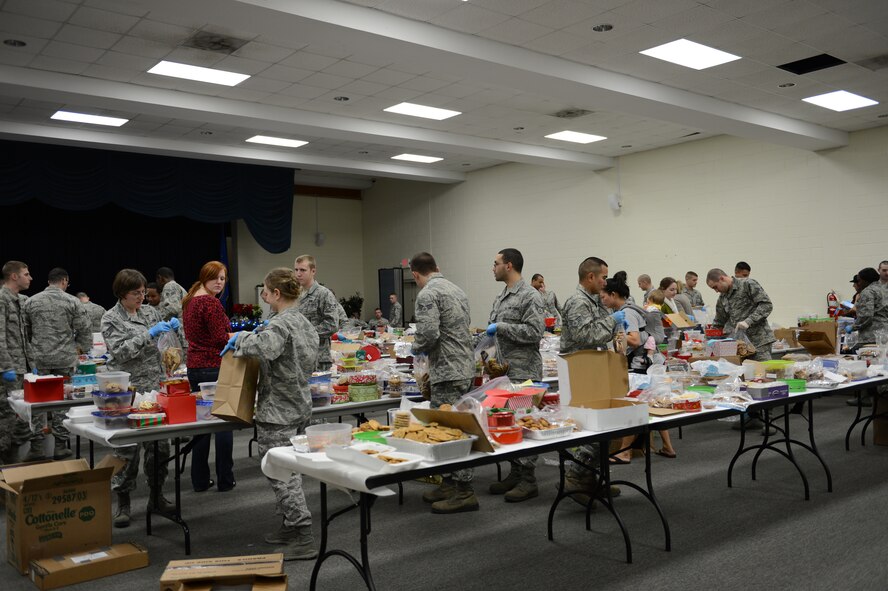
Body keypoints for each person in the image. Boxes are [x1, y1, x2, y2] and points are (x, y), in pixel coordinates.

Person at [220, 268, 319, 561]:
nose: (264, 295)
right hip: (299, 404)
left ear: (277, 294)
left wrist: (240, 340)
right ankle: (290, 525)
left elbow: (265, 348)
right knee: (290, 469)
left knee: (281, 473)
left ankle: (303, 535)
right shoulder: (303, 322)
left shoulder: (279, 324)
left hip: (278, 410)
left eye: (266, 290)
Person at [102, 269, 176, 528]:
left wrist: (171, 336)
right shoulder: (110, 318)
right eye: (136, 293)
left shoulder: (150, 313)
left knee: (159, 447)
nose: (142, 298)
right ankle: (123, 502)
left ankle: (156, 496)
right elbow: (121, 353)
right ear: (122, 293)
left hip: (154, 388)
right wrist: (149, 334)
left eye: (144, 292)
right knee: (126, 450)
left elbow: (162, 346)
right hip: (126, 391)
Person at [409, 252, 477, 514]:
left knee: (450, 434)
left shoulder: (427, 294)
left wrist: (414, 348)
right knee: (458, 427)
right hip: (463, 366)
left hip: (447, 370)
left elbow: (428, 333)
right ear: (436, 267)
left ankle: (464, 492)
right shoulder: (457, 290)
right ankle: (449, 484)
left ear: (416, 274)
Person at [485, 248, 545, 503]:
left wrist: (502, 327)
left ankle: (528, 479)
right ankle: (515, 471)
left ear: (509, 266)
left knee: (524, 421)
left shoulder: (529, 295)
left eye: (496, 263)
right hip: (505, 371)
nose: (493, 267)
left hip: (525, 370)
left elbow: (534, 331)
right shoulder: (502, 297)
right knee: (507, 421)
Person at [601, 277, 676, 461]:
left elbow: (633, 339)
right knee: (654, 402)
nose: (602, 300)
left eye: (604, 296)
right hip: (648, 361)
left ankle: (625, 452)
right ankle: (667, 446)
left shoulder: (626, 312)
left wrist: (613, 343)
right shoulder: (631, 309)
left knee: (633, 406)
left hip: (639, 365)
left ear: (613, 295)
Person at [23, 268, 92, 461]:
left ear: (48, 281)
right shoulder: (73, 301)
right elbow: (84, 328)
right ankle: (61, 445)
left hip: (39, 359)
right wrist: (80, 349)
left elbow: (25, 331)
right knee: (62, 401)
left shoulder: (31, 301)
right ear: (64, 281)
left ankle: (36, 446)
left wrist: (33, 350)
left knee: (37, 403)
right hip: (65, 358)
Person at [182, 261, 236, 493]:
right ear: (205, 277)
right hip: (214, 366)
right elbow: (220, 339)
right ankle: (225, 479)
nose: (219, 282)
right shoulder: (210, 303)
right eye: (215, 277)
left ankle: (200, 480)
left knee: (202, 424)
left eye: (223, 278)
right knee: (224, 423)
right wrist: (240, 335)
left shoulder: (190, 300)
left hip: (195, 366)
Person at [707, 268, 775, 433]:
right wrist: (711, 339)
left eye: (716, 286)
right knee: (746, 381)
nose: (716, 290)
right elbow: (719, 320)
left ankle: (770, 422)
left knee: (764, 380)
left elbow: (766, 305)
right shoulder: (723, 298)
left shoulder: (747, 284)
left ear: (723, 278)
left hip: (759, 340)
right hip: (739, 346)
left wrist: (749, 321)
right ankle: (753, 417)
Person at [0, 261, 32, 464]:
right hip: (8, 369)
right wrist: (5, 366)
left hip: (21, 367)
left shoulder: (17, 300)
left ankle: (12, 465)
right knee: (7, 419)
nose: (30, 278)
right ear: (14, 276)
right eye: (26, 274)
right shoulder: (2, 299)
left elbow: (21, 336)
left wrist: (31, 363)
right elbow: (0, 335)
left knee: (19, 418)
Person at [560, 257, 616, 355]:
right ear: (591, 277)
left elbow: (601, 333)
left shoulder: (592, 301)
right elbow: (584, 336)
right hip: (579, 364)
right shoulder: (579, 302)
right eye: (604, 278)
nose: (605, 283)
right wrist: (612, 320)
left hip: (588, 362)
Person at [293, 255, 339, 371]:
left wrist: (305, 333)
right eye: (296, 270)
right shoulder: (294, 294)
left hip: (318, 358)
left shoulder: (323, 294)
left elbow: (332, 324)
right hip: (297, 357)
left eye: (302, 270)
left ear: (313, 271)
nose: (298, 274)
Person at [848, 267, 888, 345]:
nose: (858, 283)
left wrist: (853, 327)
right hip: (884, 334)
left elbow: (866, 316)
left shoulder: (868, 292)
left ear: (865, 280)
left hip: (871, 336)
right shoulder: (883, 289)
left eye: (859, 280)